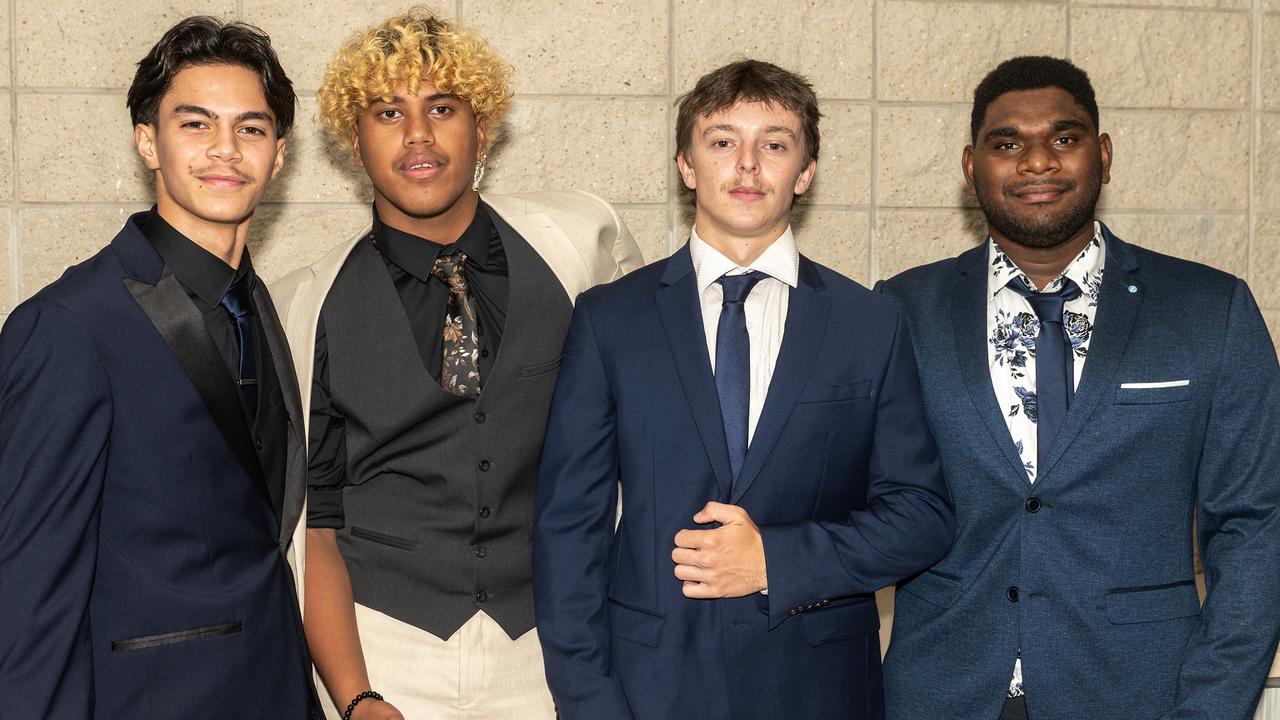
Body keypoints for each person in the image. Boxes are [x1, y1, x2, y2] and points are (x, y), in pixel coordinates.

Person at [532, 59, 955, 720]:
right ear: (687, 165)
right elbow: (569, 531)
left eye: (775, 144)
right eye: (723, 141)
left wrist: (776, 563)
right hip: (650, 688)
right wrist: (589, 704)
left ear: (806, 172)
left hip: (818, 691)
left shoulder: (870, 323)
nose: (748, 165)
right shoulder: (609, 320)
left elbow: (921, 518)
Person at [879, 56, 1280, 720]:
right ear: (970, 167)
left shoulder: (1211, 310)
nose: (1037, 161)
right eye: (1007, 144)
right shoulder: (901, 310)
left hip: (1137, 696)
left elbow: (1257, 527)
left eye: (1063, 139)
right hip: (940, 692)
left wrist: (1212, 707)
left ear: (1103, 154)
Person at [269, 8, 643, 720]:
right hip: (384, 650)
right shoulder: (304, 308)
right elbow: (314, 524)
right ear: (355, 141)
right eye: (387, 112)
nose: (417, 134)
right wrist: (357, 698)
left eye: (442, 107)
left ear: (483, 128)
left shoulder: (583, 246)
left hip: (549, 646)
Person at [0, 16, 316, 719]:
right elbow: (27, 597)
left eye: (252, 129)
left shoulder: (260, 300)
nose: (225, 151)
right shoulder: (69, 326)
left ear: (281, 153)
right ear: (149, 141)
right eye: (196, 125)